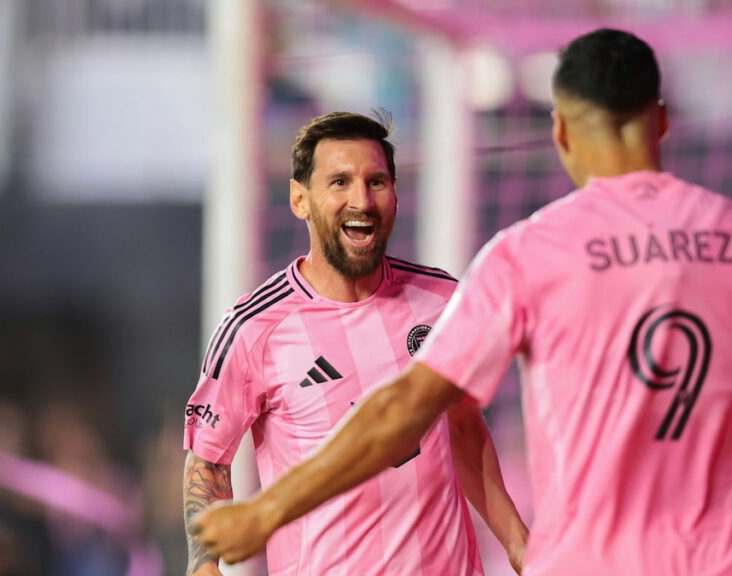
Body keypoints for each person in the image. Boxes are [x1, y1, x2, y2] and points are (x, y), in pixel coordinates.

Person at [191, 30, 732, 574]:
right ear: (661, 120)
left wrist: (267, 511)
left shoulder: (525, 257)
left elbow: (406, 409)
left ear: (560, 131)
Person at [182, 111, 528, 575]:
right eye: (340, 182)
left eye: (376, 182)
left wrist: (518, 544)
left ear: (396, 195)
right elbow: (208, 460)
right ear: (299, 199)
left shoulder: (444, 300)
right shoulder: (253, 327)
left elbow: (464, 425)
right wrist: (204, 566)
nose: (361, 201)